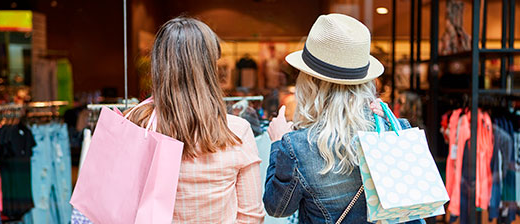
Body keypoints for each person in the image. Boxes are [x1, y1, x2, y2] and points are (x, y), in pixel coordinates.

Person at [263, 14, 425, 223]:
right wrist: (390, 124)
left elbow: (277, 208)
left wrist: (277, 145)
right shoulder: (395, 130)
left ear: (310, 83)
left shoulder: (297, 146)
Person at [125, 17, 265, 223]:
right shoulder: (236, 131)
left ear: (158, 66)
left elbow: (122, 204)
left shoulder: (138, 124)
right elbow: (251, 217)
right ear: (209, 68)